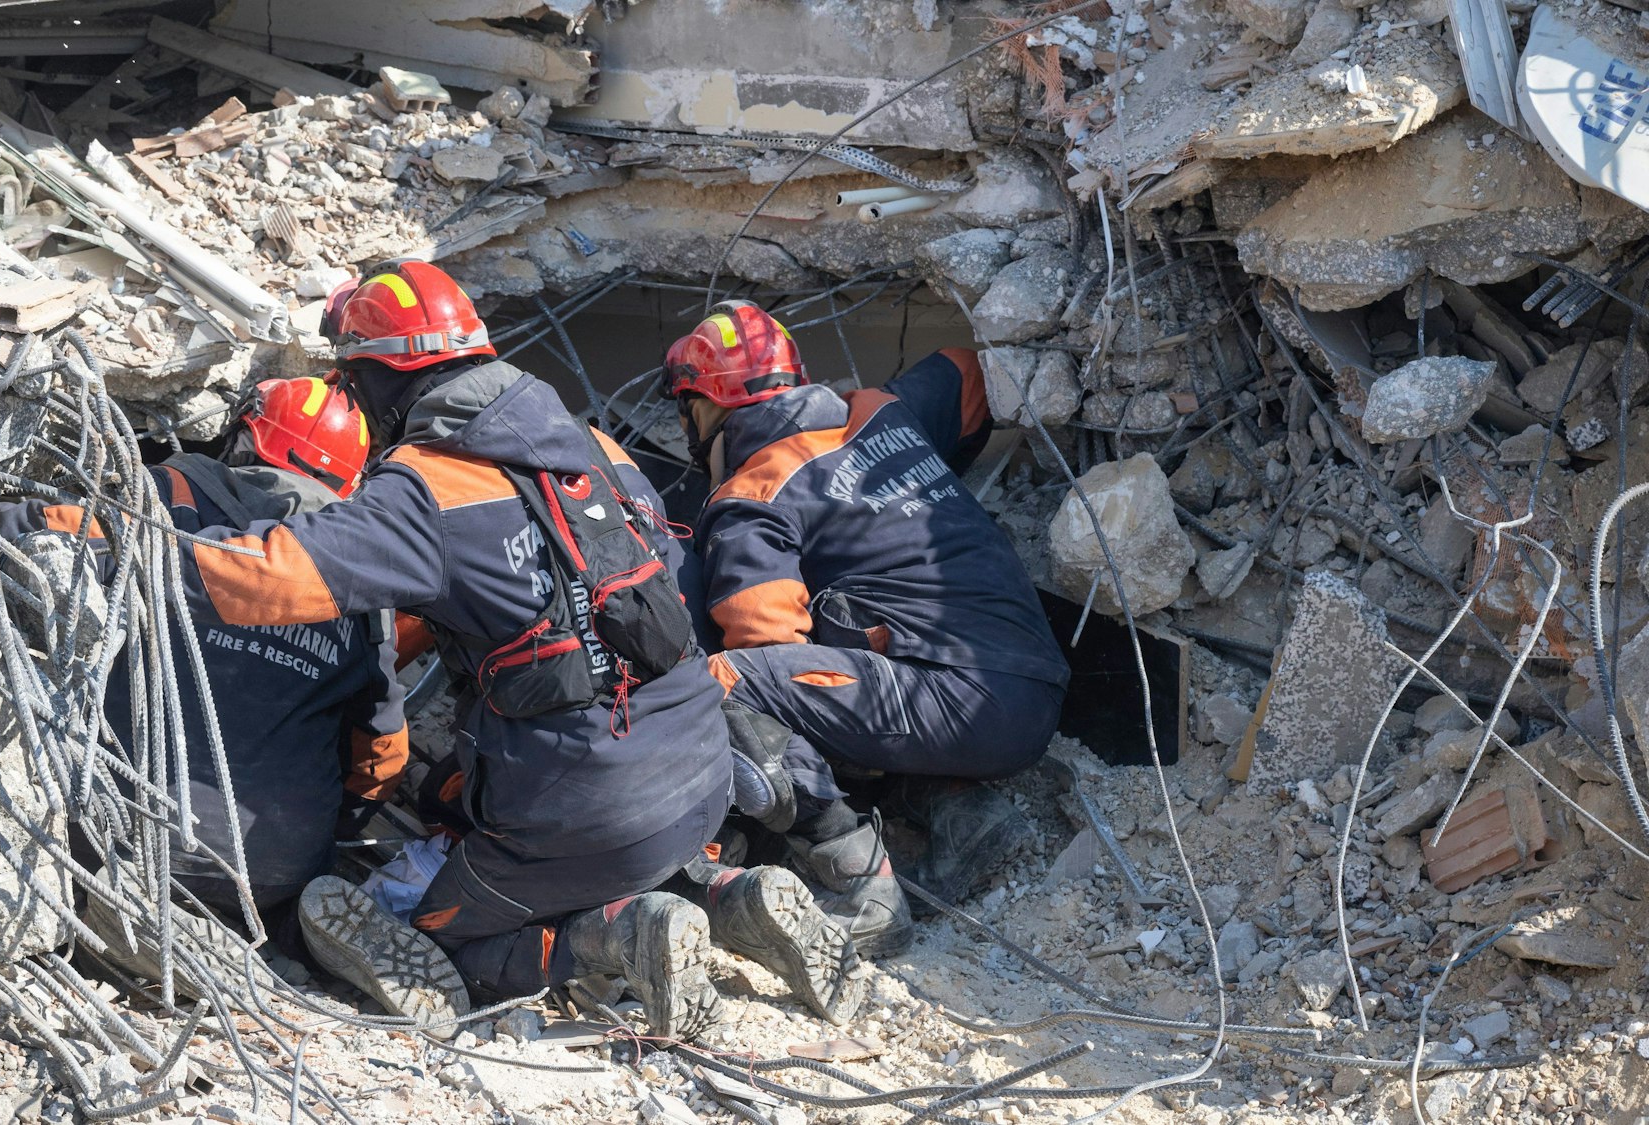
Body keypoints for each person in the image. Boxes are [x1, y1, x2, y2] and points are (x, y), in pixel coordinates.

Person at [172, 260, 861, 1038]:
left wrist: (127, 539)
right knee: (482, 800)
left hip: (583, 804)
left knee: (420, 931)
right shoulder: (594, 445)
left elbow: (270, 577)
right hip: (700, 766)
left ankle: (616, 934)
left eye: (353, 383)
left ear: (380, 377)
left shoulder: (424, 488)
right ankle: (728, 896)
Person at [0, 376, 469, 1026]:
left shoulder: (165, 495)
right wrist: (336, 830)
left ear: (245, 435)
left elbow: (29, 535)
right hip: (276, 858)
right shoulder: (361, 578)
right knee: (282, 883)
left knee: (59, 822)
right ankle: (298, 936)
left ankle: (140, 931)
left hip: (135, 827)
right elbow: (381, 752)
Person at [663, 301, 1072, 955]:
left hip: (963, 703)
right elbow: (969, 375)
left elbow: (764, 651)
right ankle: (963, 814)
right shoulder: (883, 410)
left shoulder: (754, 495)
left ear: (705, 408)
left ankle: (859, 882)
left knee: (726, 686)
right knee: (853, 653)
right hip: (1039, 686)